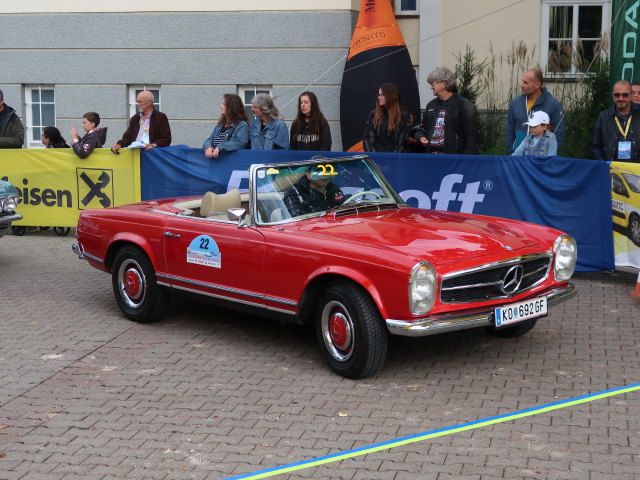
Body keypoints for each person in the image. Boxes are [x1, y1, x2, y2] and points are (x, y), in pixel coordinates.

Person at [411, 68, 478, 154]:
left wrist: (466, 160)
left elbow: (471, 135)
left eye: (433, 83)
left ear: (444, 83)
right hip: (431, 157)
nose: (431, 87)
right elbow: (423, 127)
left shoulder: (463, 104)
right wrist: (420, 136)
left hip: (453, 159)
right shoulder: (431, 105)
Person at [505, 68, 564, 154]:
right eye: (522, 81)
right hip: (518, 159)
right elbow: (509, 131)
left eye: (525, 83)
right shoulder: (515, 103)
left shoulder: (553, 105)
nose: (521, 85)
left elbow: (558, 134)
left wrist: (548, 157)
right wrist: (511, 152)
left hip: (542, 161)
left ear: (537, 85)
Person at [593, 80, 640, 163]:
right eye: (617, 95)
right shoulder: (603, 117)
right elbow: (597, 147)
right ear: (612, 95)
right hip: (613, 170)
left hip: (636, 171)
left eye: (625, 95)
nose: (620, 98)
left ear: (631, 95)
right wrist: (605, 166)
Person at [363, 82, 412, 152]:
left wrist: (392, 158)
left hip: (395, 158)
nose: (379, 97)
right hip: (376, 158)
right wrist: (373, 157)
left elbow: (402, 142)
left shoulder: (403, 115)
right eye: (378, 95)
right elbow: (368, 138)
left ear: (390, 96)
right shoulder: (373, 114)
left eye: (382, 95)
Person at [202, 94, 249, 159]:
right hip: (216, 163)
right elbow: (209, 139)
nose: (220, 106)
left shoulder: (242, 125)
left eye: (224, 104)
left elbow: (240, 143)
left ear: (232, 107)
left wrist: (220, 147)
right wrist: (208, 147)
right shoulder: (220, 125)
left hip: (230, 163)